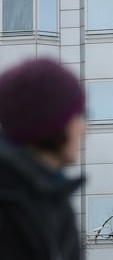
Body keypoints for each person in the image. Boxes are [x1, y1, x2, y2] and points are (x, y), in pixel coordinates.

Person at [0, 58, 86, 260]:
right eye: (77, 116)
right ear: (51, 123)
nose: (84, 129)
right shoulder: (9, 206)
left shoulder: (55, 203)